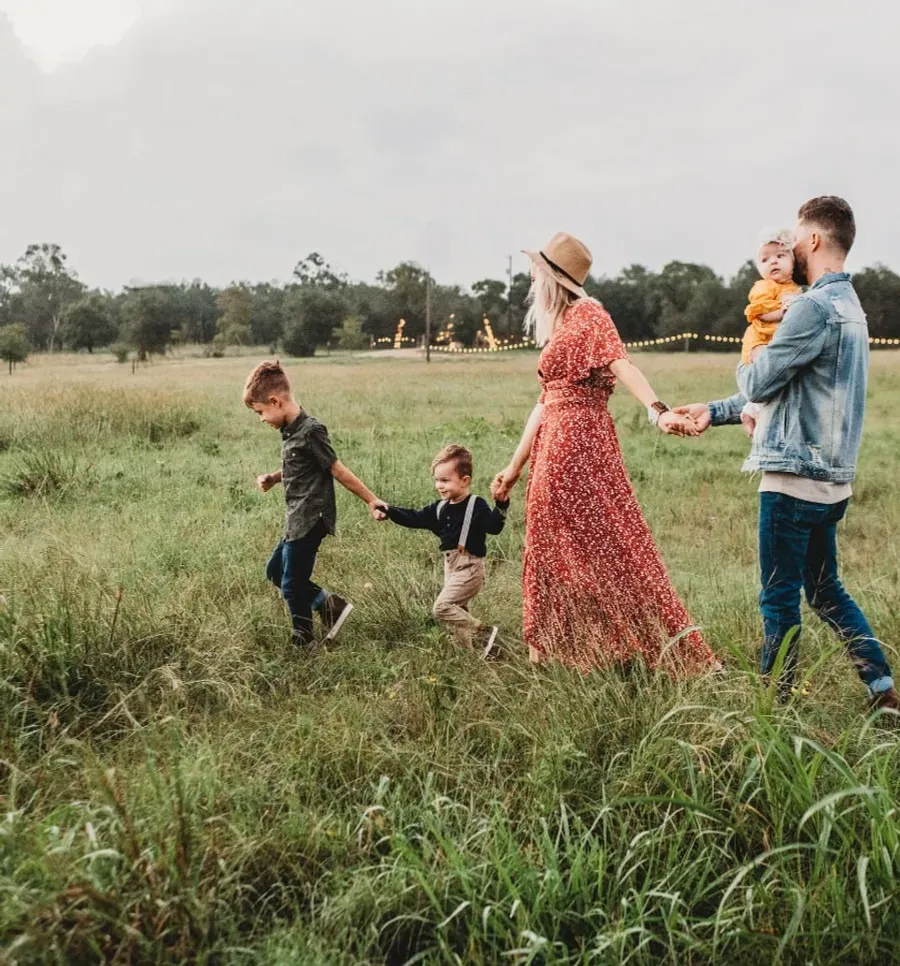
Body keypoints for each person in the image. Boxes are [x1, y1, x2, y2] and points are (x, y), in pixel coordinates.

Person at [675, 197, 898, 711]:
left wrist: (748, 346)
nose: (790, 247)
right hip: (832, 481)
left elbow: (759, 378)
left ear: (814, 240)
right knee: (825, 592)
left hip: (792, 479)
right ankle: (882, 691)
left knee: (778, 599)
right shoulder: (851, 308)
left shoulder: (812, 308)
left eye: (796, 237)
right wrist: (715, 410)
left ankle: (777, 709)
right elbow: (790, 390)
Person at [492, 232, 720, 675]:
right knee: (552, 545)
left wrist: (657, 413)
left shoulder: (589, 314)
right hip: (552, 443)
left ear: (553, 278)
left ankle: (631, 645)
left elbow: (622, 364)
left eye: (537, 272)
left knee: (610, 546)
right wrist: (515, 465)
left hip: (579, 442)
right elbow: (544, 401)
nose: (532, 281)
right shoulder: (560, 325)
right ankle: (561, 651)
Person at [244, 360, 385, 651]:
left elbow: (336, 469)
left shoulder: (311, 430)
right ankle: (330, 606)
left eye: (260, 412)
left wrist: (371, 500)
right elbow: (301, 467)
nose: (261, 419)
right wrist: (273, 477)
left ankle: (303, 641)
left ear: (275, 401)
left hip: (311, 518)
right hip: (296, 518)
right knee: (275, 572)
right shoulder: (292, 432)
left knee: (292, 583)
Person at [376, 444, 507, 656]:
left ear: (465, 481)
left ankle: (484, 632)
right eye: (437, 480)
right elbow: (414, 517)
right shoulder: (439, 508)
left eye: (445, 480)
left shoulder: (476, 505)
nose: (439, 485)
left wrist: (501, 505)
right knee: (458, 611)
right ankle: (467, 656)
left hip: (470, 567)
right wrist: (389, 510)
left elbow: (494, 528)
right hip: (451, 567)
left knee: (442, 607)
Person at [740, 229, 802, 435]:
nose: (773, 262)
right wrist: (781, 312)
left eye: (780, 256)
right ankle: (754, 410)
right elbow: (760, 311)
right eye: (765, 260)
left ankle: (750, 409)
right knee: (766, 370)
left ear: (793, 262)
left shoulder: (795, 288)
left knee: (778, 375)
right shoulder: (764, 286)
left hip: (775, 339)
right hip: (760, 339)